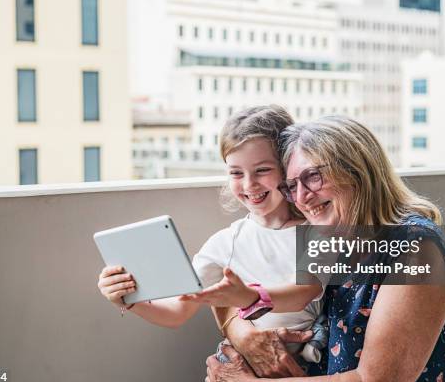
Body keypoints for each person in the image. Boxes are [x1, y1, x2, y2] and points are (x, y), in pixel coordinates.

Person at [204, 116, 445, 382]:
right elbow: (228, 285)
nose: (301, 197)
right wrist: (243, 333)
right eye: (292, 186)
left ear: (356, 171)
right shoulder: (337, 238)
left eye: (312, 177)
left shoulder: (415, 249)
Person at [97, 105, 328, 367]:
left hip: (306, 365)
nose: (249, 184)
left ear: (288, 166)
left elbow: (303, 292)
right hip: (243, 363)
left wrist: (247, 296)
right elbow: (176, 313)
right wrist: (129, 299)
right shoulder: (225, 243)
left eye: (262, 170)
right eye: (236, 173)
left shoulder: (317, 231)